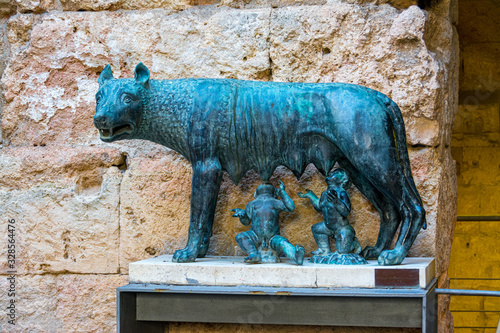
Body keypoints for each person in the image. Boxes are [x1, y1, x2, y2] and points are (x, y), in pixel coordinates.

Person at [298, 168, 366, 265]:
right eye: (332, 172)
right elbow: (319, 206)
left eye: (336, 173)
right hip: (327, 227)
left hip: (342, 228)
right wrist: (311, 196)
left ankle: (353, 243)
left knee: (343, 252)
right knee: (316, 228)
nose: (332, 173)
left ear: (343, 181)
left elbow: (346, 212)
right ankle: (324, 249)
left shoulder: (342, 193)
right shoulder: (324, 193)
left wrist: (336, 202)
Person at [232, 181, 305, 265]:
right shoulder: (252, 204)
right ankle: (253, 253)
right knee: (241, 236)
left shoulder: (275, 202)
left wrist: (282, 192)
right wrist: (242, 215)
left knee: (283, 243)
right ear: (275, 193)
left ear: (255, 193)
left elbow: (291, 207)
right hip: (255, 235)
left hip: (273, 237)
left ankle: (295, 256)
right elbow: (246, 222)